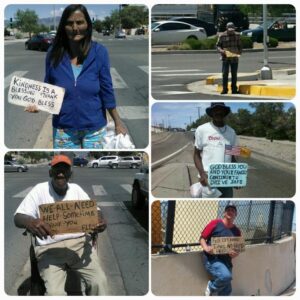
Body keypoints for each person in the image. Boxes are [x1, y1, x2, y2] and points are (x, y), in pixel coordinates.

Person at [26, 4, 127, 148]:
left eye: (79, 22)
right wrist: (37, 104)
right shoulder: (53, 54)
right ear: (63, 26)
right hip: (63, 128)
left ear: (87, 24)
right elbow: (47, 87)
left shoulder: (100, 52)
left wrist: (118, 122)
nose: (75, 28)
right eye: (69, 23)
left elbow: (107, 90)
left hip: (94, 128)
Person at [14, 154, 107, 295]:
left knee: (99, 282)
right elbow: (18, 217)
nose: (61, 173)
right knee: (54, 293)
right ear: (50, 172)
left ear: (71, 173)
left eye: (65, 169)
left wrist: (100, 221)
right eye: (57, 169)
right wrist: (30, 222)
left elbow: (96, 211)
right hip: (49, 250)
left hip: (80, 246)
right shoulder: (40, 190)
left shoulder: (76, 189)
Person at [193, 102, 238, 198]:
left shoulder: (232, 132)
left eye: (221, 109)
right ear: (211, 112)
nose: (218, 112)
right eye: (215, 110)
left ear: (225, 112)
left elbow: (232, 156)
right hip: (208, 179)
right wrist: (202, 174)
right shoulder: (202, 129)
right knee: (207, 208)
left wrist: (238, 177)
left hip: (227, 180)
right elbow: (196, 154)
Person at [200, 203, 241, 296]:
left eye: (233, 210)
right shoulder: (215, 223)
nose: (230, 212)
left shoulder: (237, 231)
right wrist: (206, 248)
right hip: (212, 259)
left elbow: (237, 249)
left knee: (227, 291)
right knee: (226, 277)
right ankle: (211, 286)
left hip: (227, 262)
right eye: (228, 210)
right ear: (224, 213)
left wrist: (235, 254)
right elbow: (202, 238)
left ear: (236, 214)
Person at [216, 22, 242, 94]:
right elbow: (218, 46)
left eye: (232, 29)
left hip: (234, 58)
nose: (231, 31)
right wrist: (221, 51)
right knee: (225, 74)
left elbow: (240, 45)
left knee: (234, 74)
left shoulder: (237, 35)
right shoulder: (222, 36)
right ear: (226, 28)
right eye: (229, 30)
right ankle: (225, 89)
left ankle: (234, 89)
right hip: (225, 58)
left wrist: (239, 52)